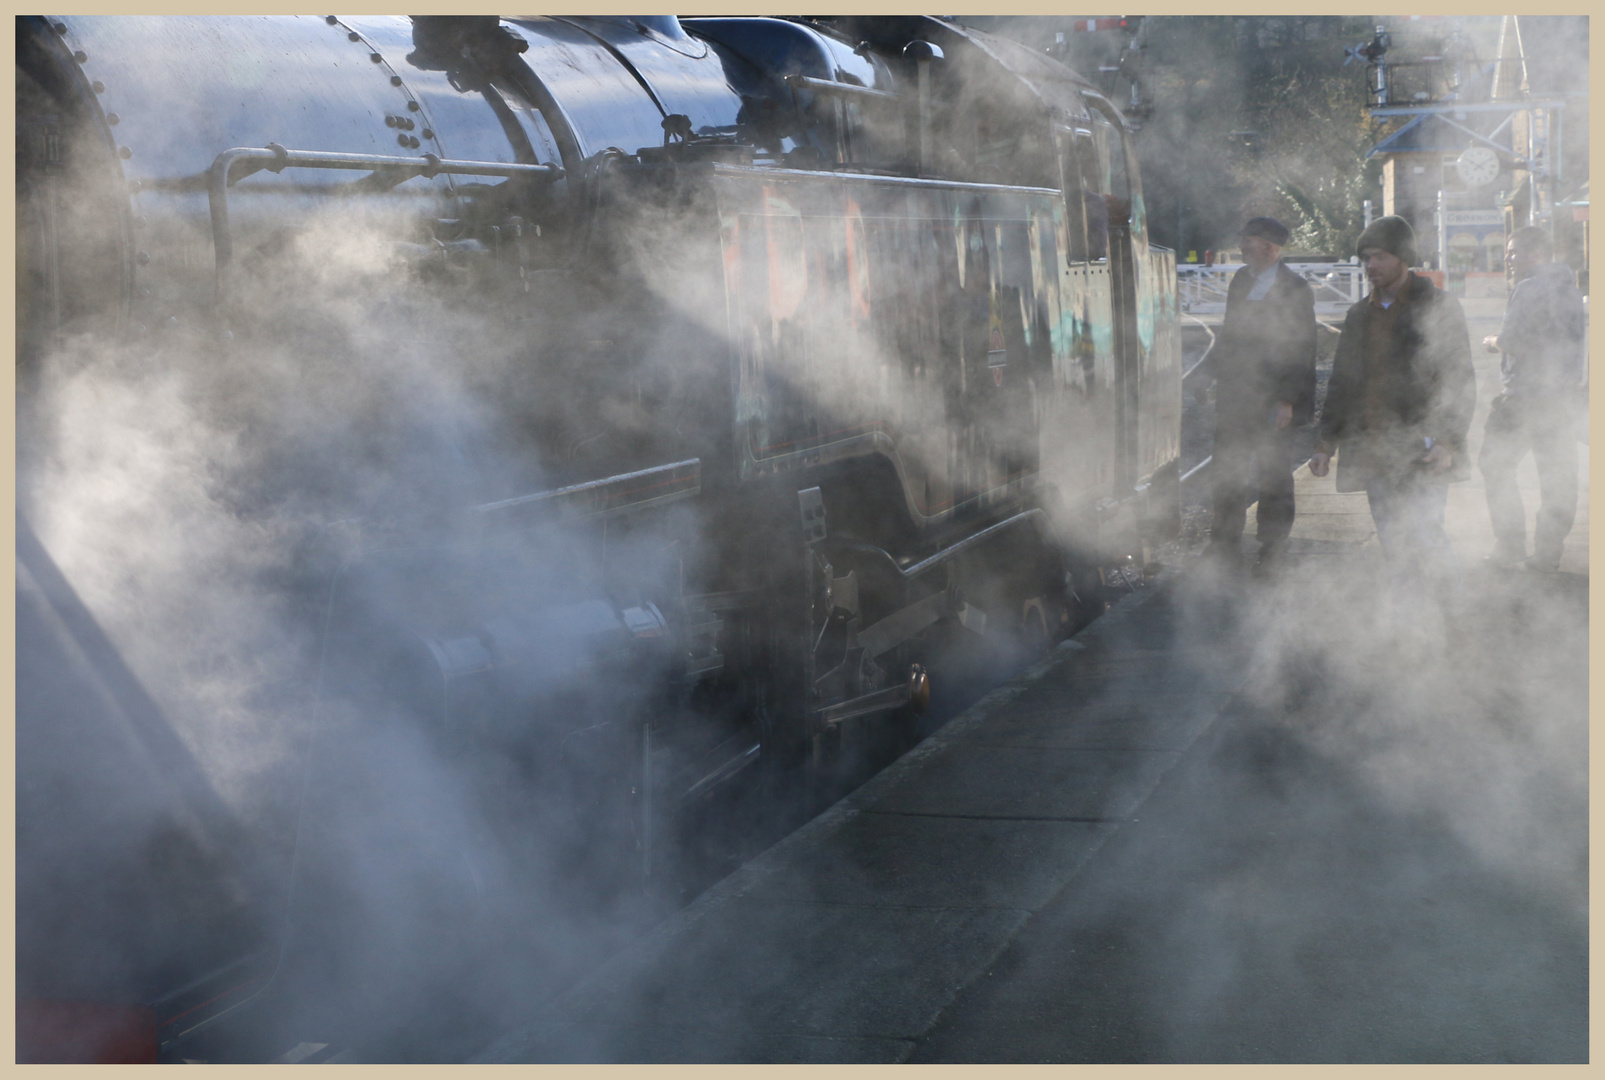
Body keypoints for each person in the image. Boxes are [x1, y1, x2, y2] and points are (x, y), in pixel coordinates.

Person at [1310, 216, 1475, 619]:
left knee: (1424, 534)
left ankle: (1460, 615)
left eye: (1379, 256)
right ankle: (1409, 623)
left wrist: (1449, 441)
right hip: (1373, 448)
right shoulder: (1358, 315)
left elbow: (1459, 379)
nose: (1370, 266)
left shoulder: (1439, 307)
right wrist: (1325, 444)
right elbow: (1343, 384)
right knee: (1392, 540)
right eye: (1366, 258)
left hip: (1423, 446)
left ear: (1403, 257)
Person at [1205, 216, 1317, 573]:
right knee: (1228, 470)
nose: (1241, 246)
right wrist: (1208, 375)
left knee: (1274, 474)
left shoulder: (1296, 288)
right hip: (1236, 395)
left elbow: (1302, 348)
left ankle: (1273, 548)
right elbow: (1230, 334)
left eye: (1247, 240)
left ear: (1268, 247)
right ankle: (1223, 544)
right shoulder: (1240, 280)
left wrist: (1287, 400)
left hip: (1273, 400)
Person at [1477, 225, 1587, 572]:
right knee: (1557, 479)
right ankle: (1547, 553)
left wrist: (1491, 341)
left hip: (1524, 397)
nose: (1509, 259)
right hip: (1561, 400)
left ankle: (1510, 544)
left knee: (1493, 464)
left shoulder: (1529, 287)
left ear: (1535, 254)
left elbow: (1513, 340)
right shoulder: (1571, 290)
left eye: (1514, 252)